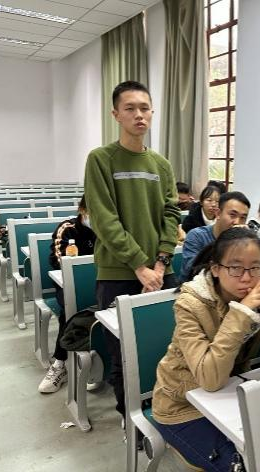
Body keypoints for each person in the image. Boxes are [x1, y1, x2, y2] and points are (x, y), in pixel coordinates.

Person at [152, 227, 260, 471]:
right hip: (182, 406)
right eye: (235, 268)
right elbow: (210, 379)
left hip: (234, 397)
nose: (246, 278)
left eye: (255, 267)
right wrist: (242, 313)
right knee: (243, 465)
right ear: (215, 268)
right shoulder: (190, 304)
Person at [84, 80, 180, 420]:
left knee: (166, 349)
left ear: (152, 112)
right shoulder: (101, 159)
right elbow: (104, 218)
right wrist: (140, 266)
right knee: (124, 355)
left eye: (144, 108)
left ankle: (165, 417)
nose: (139, 115)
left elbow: (171, 213)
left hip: (162, 273)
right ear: (116, 114)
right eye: (130, 108)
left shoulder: (161, 164)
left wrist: (160, 263)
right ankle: (132, 423)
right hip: (118, 274)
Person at [38, 196, 96, 393]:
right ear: (82, 210)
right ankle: (60, 363)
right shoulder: (68, 229)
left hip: (102, 283)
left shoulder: (110, 228)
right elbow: (57, 261)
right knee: (71, 310)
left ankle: (100, 363)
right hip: (69, 284)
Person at [180, 191, 250, 281]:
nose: (237, 222)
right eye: (232, 215)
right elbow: (192, 272)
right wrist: (228, 241)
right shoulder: (197, 235)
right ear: (218, 214)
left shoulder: (243, 240)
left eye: (243, 218)